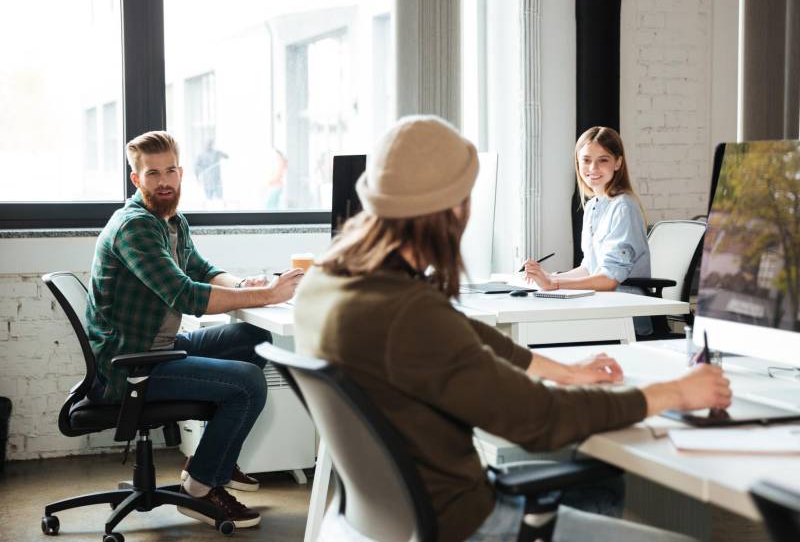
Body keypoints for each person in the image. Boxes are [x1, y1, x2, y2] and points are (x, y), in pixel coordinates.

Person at [292, 115, 731, 542]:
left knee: (599, 483)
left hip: (378, 521)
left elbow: (462, 332)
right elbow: (542, 419)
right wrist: (673, 393)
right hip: (467, 524)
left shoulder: (326, 283)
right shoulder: (409, 315)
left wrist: (567, 371)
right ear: (452, 209)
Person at [86, 131, 304, 529]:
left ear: (182, 172)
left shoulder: (171, 221)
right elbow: (186, 295)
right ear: (136, 180)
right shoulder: (135, 227)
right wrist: (269, 295)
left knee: (252, 339)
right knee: (249, 382)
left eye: (170, 170)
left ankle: (206, 463)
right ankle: (200, 490)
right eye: (153, 174)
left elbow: (202, 270)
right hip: (132, 364)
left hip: (159, 345)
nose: (164, 181)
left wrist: (243, 287)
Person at [522, 126, 652, 334]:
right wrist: (549, 277)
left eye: (603, 160)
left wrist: (554, 284)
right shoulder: (593, 206)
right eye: (586, 160)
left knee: (542, 333)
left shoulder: (623, 207)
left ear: (618, 162)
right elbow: (590, 268)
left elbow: (609, 280)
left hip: (623, 315)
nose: (593, 168)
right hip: (600, 306)